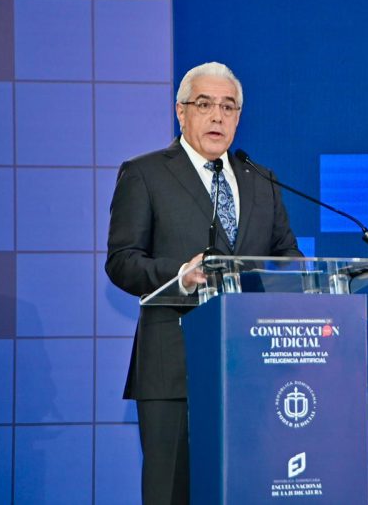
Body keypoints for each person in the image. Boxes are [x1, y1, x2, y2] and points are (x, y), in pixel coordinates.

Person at [105, 61, 302, 505]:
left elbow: (287, 257)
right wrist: (180, 275)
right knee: (171, 493)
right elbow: (122, 262)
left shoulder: (260, 179)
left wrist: (298, 278)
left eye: (228, 107)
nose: (217, 116)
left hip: (252, 368)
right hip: (173, 368)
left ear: (238, 117)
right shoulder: (145, 174)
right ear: (181, 111)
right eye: (205, 104)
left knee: (248, 491)